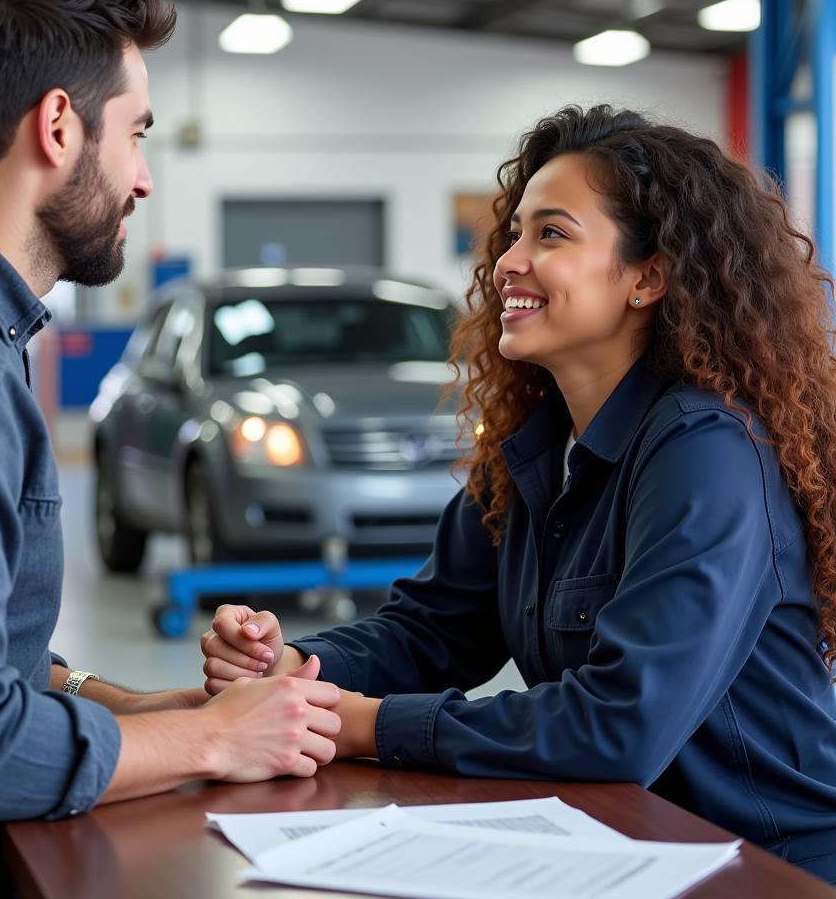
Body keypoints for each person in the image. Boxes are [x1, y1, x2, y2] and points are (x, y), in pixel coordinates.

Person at [0, 0, 340, 899]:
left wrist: (147, 711)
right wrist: (215, 736)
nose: (143, 178)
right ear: (58, 126)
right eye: (136, 133)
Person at [202, 104, 836, 883]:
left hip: (762, 867)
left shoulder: (708, 450)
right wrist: (294, 666)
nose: (508, 260)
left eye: (553, 235)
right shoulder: (537, 444)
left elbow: (621, 724)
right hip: (628, 849)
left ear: (648, 278)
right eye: (515, 234)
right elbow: (432, 630)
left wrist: (359, 723)